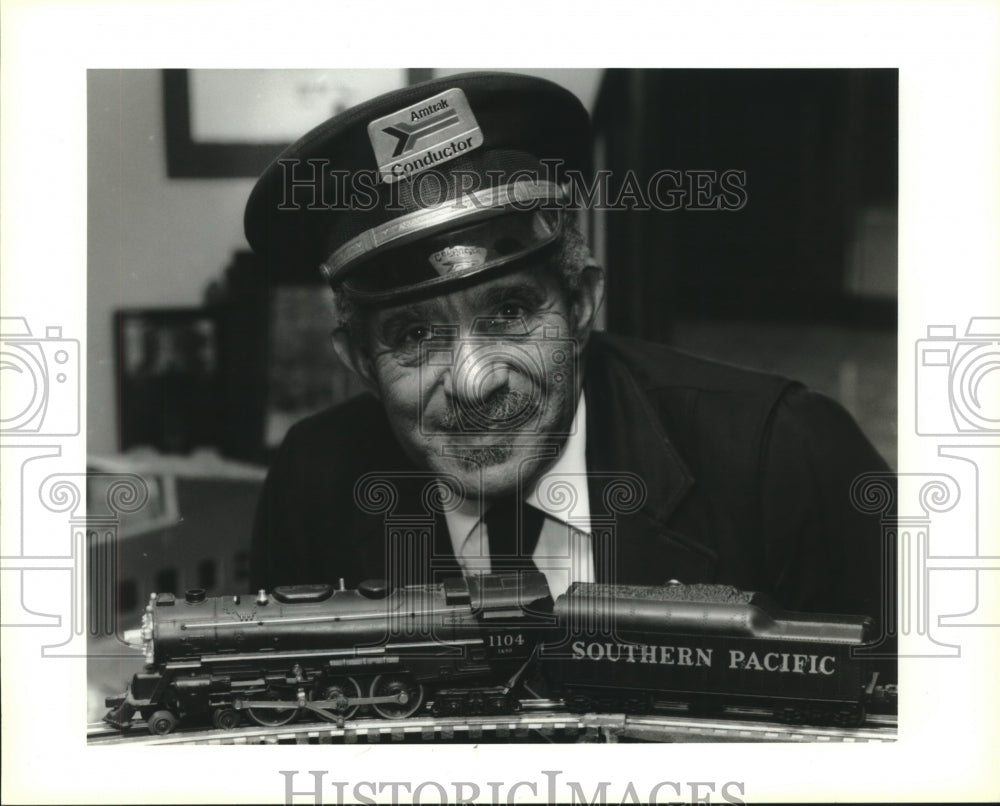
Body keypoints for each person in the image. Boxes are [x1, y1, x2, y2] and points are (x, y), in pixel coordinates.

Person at [245, 72, 893, 639]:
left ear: (581, 303)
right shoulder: (315, 485)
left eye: (510, 313)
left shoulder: (786, 458)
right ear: (359, 361)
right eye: (414, 337)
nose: (476, 383)